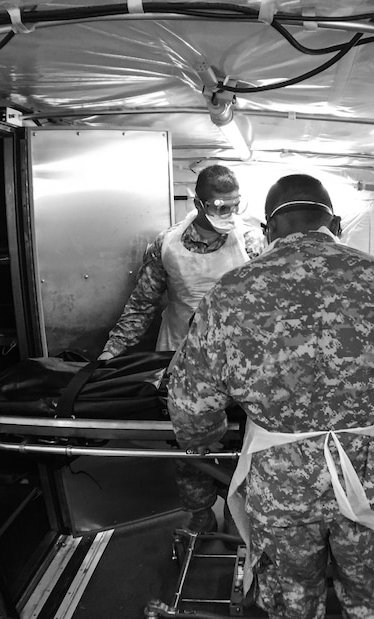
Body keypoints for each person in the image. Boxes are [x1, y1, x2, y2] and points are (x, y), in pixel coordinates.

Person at [167, 174, 374, 618]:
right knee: (372, 597)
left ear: (267, 231)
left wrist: (205, 440)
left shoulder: (230, 294)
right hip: (368, 471)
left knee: (292, 600)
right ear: (335, 223)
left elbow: (190, 410)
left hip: (279, 477)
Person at [99, 164, 265, 534]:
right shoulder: (167, 245)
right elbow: (142, 304)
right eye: (220, 206)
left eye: (234, 206)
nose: (228, 215)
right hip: (181, 356)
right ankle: (200, 512)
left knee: (244, 439)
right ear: (198, 202)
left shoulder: (251, 241)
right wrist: (111, 353)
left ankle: (242, 510)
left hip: (239, 359)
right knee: (191, 446)